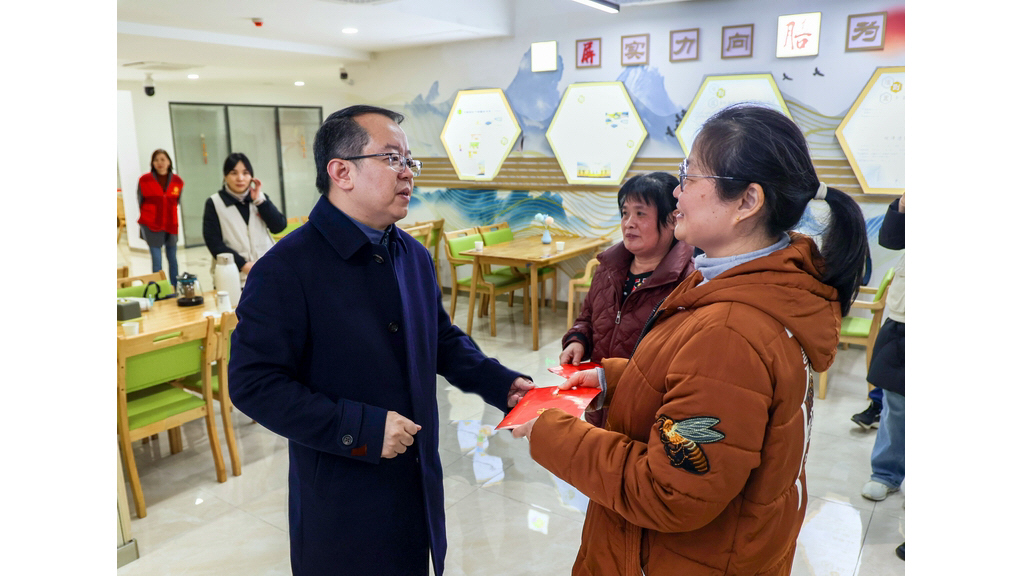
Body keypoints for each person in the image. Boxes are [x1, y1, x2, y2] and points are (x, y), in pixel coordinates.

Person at [512, 104, 868, 575]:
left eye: (690, 175)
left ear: (747, 201)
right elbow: (684, 377)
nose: (677, 190)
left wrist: (547, 428)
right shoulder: (744, 284)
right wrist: (607, 376)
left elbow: (668, 493)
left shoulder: (732, 329)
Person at [228, 105, 534, 576]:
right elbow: (254, 384)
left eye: (410, 161)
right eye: (392, 158)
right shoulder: (286, 268)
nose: (408, 173)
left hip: (416, 485)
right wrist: (362, 428)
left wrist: (502, 385)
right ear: (341, 172)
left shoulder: (410, 254)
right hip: (341, 500)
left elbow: (442, 340)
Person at [560, 171, 694, 428]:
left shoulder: (688, 281)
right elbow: (587, 317)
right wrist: (578, 340)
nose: (628, 223)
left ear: (671, 220)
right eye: (625, 213)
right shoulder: (609, 268)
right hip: (597, 402)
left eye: (641, 214)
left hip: (645, 414)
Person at [858, 194, 905, 559]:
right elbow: (891, 239)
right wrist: (900, 208)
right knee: (895, 402)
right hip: (906, 318)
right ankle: (886, 473)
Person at [202, 152, 287, 286]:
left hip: (267, 271)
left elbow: (279, 226)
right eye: (233, 173)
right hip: (232, 276)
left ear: (251, 177)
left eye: (245, 173)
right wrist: (243, 265)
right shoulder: (214, 203)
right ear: (225, 176)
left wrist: (260, 202)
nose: (240, 178)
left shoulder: (260, 198)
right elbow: (214, 242)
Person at [137, 149, 182, 287]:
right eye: (156, 160)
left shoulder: (177, 181)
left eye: (163, 159)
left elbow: (177, 201)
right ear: (152, 163)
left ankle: (175, 287)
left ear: (169, 162)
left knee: (172, 258)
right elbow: (140, 200)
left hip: (171, 224)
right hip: (151, 225)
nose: (160, 163)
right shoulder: (144, 180)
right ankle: (159, 288)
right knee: (157, 260)